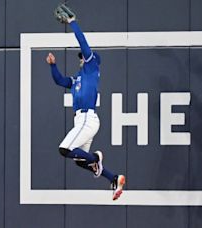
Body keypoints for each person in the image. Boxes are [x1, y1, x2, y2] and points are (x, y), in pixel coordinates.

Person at [46, 5, 125, 200]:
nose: (81, 58)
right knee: (80, 160)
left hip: (87, 119)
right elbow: (60, 81)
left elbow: (83, 43)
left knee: (64, 149)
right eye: (81, 57)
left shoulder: (91, 67)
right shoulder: (78, 78)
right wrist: (53, 66)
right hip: (81, 121)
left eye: (83, 57)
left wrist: (73, 23)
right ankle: (113, 178)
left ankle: (96, 159)